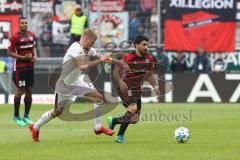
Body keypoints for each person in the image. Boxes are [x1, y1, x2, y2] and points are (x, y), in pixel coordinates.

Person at [29, 29, 130, 142]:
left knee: (98, 97)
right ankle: (35, 127)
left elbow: (103, 58)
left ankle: (98, 128)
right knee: (57, 112)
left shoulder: (88, 49)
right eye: (91, 43)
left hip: (76, 82)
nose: (92, 46)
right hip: (64, 85)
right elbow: (82, 67)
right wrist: (101, 60)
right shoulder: (75, 48)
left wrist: (119, 62)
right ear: (86, 39)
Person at [107, 35, 160, 143]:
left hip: (136, 89)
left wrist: (155, 86)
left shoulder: (149, 58)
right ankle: (120, 136)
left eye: (147, 45)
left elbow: (150, 75)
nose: (146, 47)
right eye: (143, 45)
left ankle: (114, 121)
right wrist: (121, 82)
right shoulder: (128, 58)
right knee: (133, 107)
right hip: (124, 86)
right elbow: (116, 73)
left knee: (134, 119)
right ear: (136, 45)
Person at [8, 17, 37, 126]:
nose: (24, 24)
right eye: (22, 23)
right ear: (19, 24)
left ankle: (26, 116)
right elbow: (9, 53)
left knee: (29, 91)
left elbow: (33, 47)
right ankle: (16, 115)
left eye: (26, 22)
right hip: (20, 68)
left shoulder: (31, 35)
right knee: (20, 91)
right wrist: (22, 57)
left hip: (30, 67)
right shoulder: (15, 37)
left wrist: (35, 56)